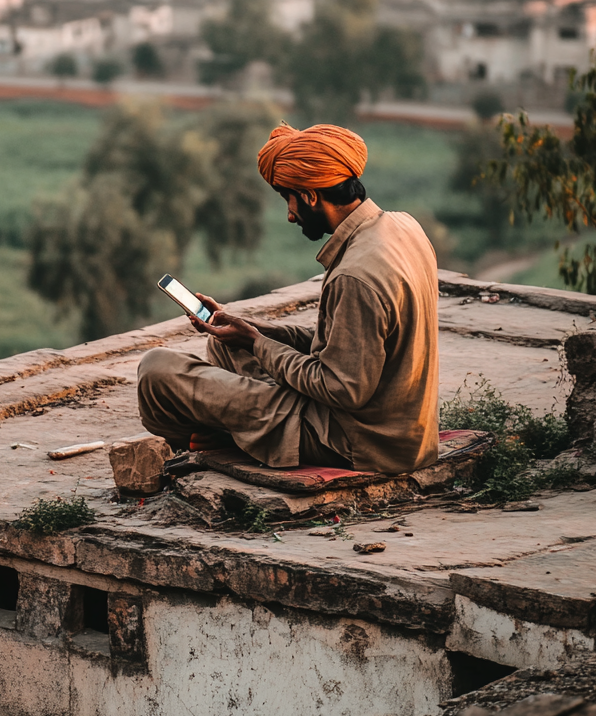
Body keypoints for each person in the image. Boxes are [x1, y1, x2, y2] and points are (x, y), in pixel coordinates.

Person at [136, 122, 439, 475]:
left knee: (156, 370)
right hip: (398, 431)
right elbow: (356, 347)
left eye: (287, 197)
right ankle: (239, 430)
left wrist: (257, 343)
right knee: (227, 346)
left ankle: (224, 438)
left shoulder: (355, 275)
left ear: (311, 195)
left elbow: (343, 388)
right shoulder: (402, 226)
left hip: (357, 441)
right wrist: (255, 333)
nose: (290, 214)